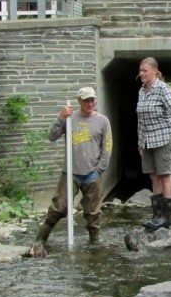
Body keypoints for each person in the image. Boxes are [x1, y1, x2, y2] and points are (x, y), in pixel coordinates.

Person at [31, 86, 113, 256]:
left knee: (93, 213)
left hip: (92, 174)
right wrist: (60, 118)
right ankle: (39, 240)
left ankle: (94, 245)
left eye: (92, 100)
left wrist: (100, 169)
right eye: (86, 100)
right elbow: (52, 136)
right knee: (58, 208)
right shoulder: (70, 118)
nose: (90, 103)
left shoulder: (103, 121)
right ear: (79, 101)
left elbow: (107, 147)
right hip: (70, 173)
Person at [136, 57, 171, 231]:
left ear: (154, 70)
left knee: (165, 176)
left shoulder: (163, 89)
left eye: (144, 70)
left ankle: (166, 218)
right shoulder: (141, 91)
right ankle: (157, 215)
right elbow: (141, 120)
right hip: (147, 140)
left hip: (163, 137)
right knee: (153, 176)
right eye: (140, 70)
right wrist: (140, 141)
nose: (141, 74)